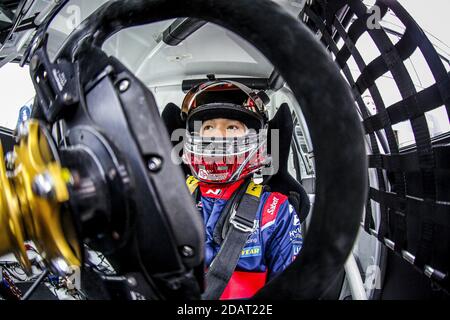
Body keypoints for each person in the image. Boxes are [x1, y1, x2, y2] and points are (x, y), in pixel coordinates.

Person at [180, 80, 303, 299]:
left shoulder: (274, 211)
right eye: (208, 127)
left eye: (232, 127)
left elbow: (291, 292)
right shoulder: (169, 201)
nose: (217, 136)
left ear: (255, 138)